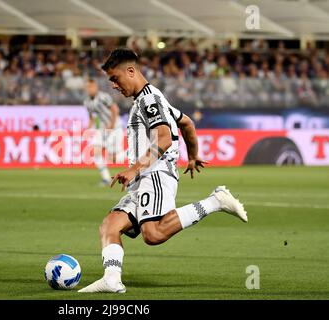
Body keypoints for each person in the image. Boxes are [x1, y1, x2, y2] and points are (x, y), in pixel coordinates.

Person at [79, 48, 248, 293]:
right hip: (143, 178)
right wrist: (193, 155)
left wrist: (135, 169)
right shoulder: (152, 98)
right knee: (110, 226)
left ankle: (216, 201)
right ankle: (111, 279)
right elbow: (186, 122)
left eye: (115, 78)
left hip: (155, 174)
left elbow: (165, 137)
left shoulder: (149, 99)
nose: (114, 85)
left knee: (154, 233)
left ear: (131, 71)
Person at [83, 78, 124, 185]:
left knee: (113, 158)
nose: (90, 89)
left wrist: (112, 124)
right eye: (88, 87)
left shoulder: (103, 97)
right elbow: (92, 117)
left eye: (91, 87)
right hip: (102, 129)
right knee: (96, 152)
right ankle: (106, 178)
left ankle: (135, 154)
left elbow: (115, 109)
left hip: (115, 127)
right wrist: (87, 129)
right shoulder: (87, 101)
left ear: (96, 87)